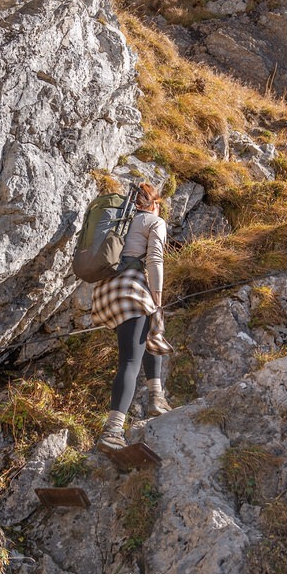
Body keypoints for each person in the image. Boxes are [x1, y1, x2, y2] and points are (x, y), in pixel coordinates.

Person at [92, 181, 173, 452]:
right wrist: (158, 297)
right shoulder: (153, 221)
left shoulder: (118, 220)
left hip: (104, 292)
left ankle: (156, 396)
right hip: (130, 289)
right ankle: (113, 431)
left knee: (149, 332)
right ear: (153, 203)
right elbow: (154, 261)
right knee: (129, 359)